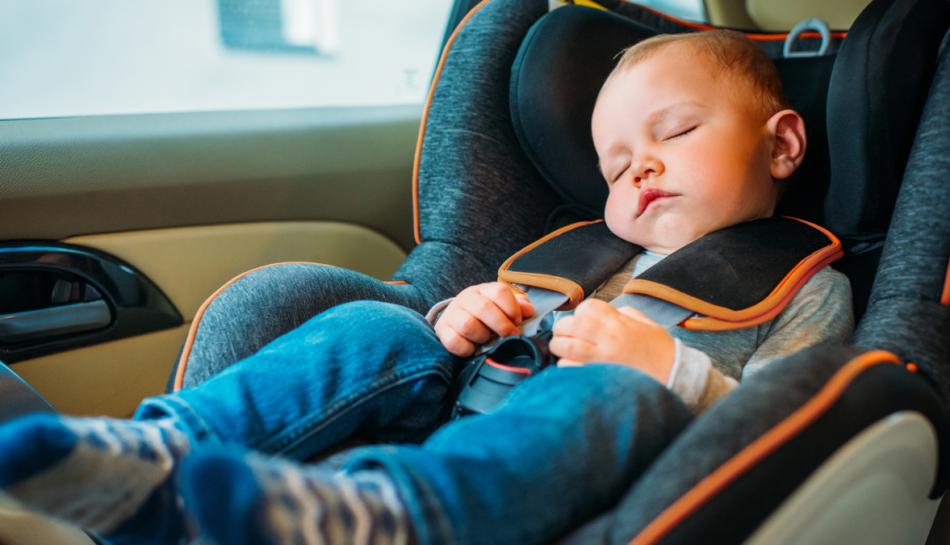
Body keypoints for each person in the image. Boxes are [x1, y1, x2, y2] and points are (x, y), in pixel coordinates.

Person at [0, 30, 853, 545]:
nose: (644, 168)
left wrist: (669, 369)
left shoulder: (805, 286)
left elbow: (794, 421)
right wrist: (461, 317)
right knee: (382, 325)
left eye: (676, 131)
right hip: (459, 410)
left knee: (609, 395)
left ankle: (391, 516)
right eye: (617, 165)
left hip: (609, 462)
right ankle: (163, 463)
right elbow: (464, 329)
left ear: (781, 146)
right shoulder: (578, 252)